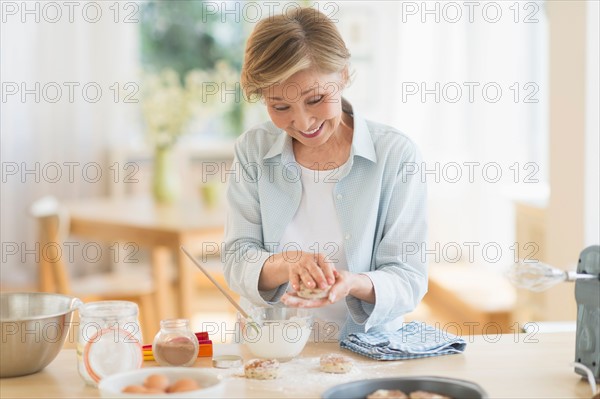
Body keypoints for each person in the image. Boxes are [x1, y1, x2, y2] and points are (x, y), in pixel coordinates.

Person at [223, 7, 427, 340]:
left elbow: (409, 278)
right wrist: (287, 264)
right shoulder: (253, 151)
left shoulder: (396, 155)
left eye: (316, 98)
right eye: (280, 107)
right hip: (269, 350)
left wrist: (354, 283)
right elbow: (236, 259)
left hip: (369, 351)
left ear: (344, 74)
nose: (302, 123)